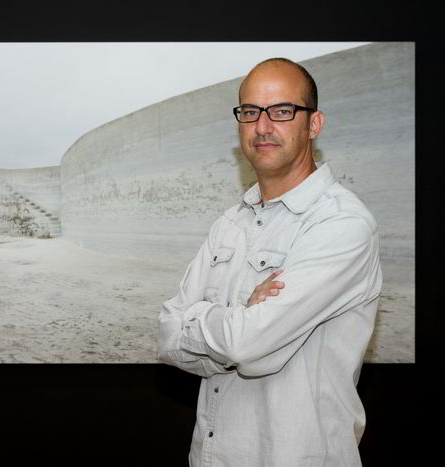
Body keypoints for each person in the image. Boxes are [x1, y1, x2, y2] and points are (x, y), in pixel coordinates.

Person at [158, 58, 382, 467]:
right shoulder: (229, 223)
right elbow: (168, 336)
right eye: (249, 112)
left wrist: (207, 323)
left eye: (282, 111)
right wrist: (239, 317)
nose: (262, 126)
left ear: (313, 124)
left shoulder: (342, 223)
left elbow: (251, 348)